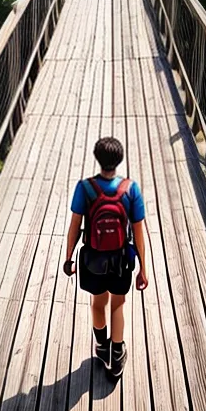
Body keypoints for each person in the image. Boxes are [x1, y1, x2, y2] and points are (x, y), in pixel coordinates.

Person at [62, 136, 149, 378]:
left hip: (93, 260)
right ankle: (117, 355)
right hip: (121, 260)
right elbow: (139, 233)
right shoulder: (131, 189)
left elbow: (74, 228)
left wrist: (69, 258)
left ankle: (102, 347)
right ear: (119, 160)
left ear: (97, 159)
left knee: (98, 303)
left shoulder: (85, 188)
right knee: (118, 304)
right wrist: (143, 268)